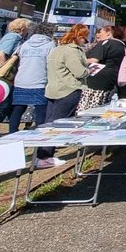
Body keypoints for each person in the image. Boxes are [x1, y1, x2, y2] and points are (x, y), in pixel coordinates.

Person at [40, 24, 90, 168]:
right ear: (79, 37)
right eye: (84, 39)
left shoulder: (56, 49)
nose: (85, 42)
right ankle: (46, 156)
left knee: (49, 123)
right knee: (58, 125)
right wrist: (89, 70)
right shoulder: (72, 52)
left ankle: (42, 154)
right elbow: (79, 72)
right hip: (68, 90)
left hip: (52, 89)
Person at [5, 22, 56, 135]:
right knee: (41, 111)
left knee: (18, 109)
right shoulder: (50, 45)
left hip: (21, 80)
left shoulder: (25, 44)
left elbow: (16, 60)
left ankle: (12, 133)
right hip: (40, 81)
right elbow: (52, 64)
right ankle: (40, 135)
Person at [0, 17, 30, 135]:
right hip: (3, 79)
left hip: (4, 78)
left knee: (5, 105)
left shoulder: (13, 37)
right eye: (27, 28)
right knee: (3, 104)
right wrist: (7, 71)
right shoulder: (13, 37)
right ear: (22, 28)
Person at [81, 23, 126, 111]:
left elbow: (94, 60)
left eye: (100, 31)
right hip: (111, 79)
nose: (98, 34)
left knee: (87, 108)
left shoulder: (105, 43)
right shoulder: (122, 45)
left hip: (95, 80)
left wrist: (78, 60)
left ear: (108, 32)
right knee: (100, 107)